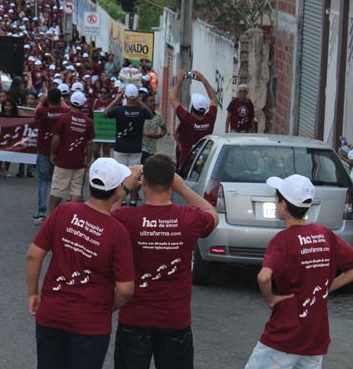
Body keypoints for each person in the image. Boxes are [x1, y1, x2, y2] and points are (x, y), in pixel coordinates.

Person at [25, 157, 136, 369]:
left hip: (52, 314)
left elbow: (33, 255)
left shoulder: (64, 211)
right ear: (116, 191)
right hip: (91, 324)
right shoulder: (117, 232)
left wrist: (33, 293)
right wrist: (107, 307)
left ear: (89, 184)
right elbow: (126, 289)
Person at [111, 154, 218, 369]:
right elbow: (212, 215)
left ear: (144, 182)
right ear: (172, 181)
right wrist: (183, 188)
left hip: (135, 316)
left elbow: (104, 216)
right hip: (175, 318)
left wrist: (125, 187)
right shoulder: (190, 218)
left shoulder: (127, 218)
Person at [244, 174, 353, 369]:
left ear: (284, 205)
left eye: (277, 198)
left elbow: (264, 276)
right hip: (315, 337)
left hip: (285, 335)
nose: (275, 202)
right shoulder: (325, 234)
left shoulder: (282, 240)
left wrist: (270, 299)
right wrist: (326, 288)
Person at [48, 91, 95, 214]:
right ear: (83, 103)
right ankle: (70, 219)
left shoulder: (63, 118)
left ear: (70, 101)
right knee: (75, 192)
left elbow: (56, 138)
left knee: (57, 190)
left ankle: (51, 217)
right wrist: (88, 161)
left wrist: (52, 153)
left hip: (63, 160)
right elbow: (90, 144)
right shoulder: (88, 122)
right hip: (79, 161)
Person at [33, 88, 70, 225]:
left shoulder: (42, 111)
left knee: (43, 181)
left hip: (43, 150)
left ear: (48, 99)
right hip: (59, 150)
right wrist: (62, 100)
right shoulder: (65, 112)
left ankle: (41, 211)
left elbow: (36, 112)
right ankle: (56, 211)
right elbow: (69, 108)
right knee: (58, 182)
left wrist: (42, 101)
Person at [168, 70, 219, 167]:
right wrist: (203, 80)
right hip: (204, 163)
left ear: (192, 107)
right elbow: (214, 99)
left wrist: (179, 82)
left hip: (186, 162)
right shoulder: (210, 119)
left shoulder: (187, 119)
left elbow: (173, 98)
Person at [105, 84, 152, 167]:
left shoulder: (119, 110)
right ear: (137, 96)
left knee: (120, 172)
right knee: (134, 173)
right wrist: (140, 102)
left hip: (120, 146)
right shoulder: (141, 111)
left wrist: (116, 99)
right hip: (136, 147)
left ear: (125, 96)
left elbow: (105, 113)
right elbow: (151, 115)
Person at [0, 97, 19, 178]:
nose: (7, 107)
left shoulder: (16, 116)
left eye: (9, 106)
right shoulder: (0, 115)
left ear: (13, 107)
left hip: (11, 137)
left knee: (9, 153)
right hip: (1, 136)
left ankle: (6, 170)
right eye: (6, 105)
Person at [141, 93, 166, 165]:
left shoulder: (158, 116)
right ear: (145, 103)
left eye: (154, 101)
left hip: (152, 150)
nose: (154, 103)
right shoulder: (140, 114)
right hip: (140, 149)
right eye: (151, 101)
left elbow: (164, 129)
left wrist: (158, 135)